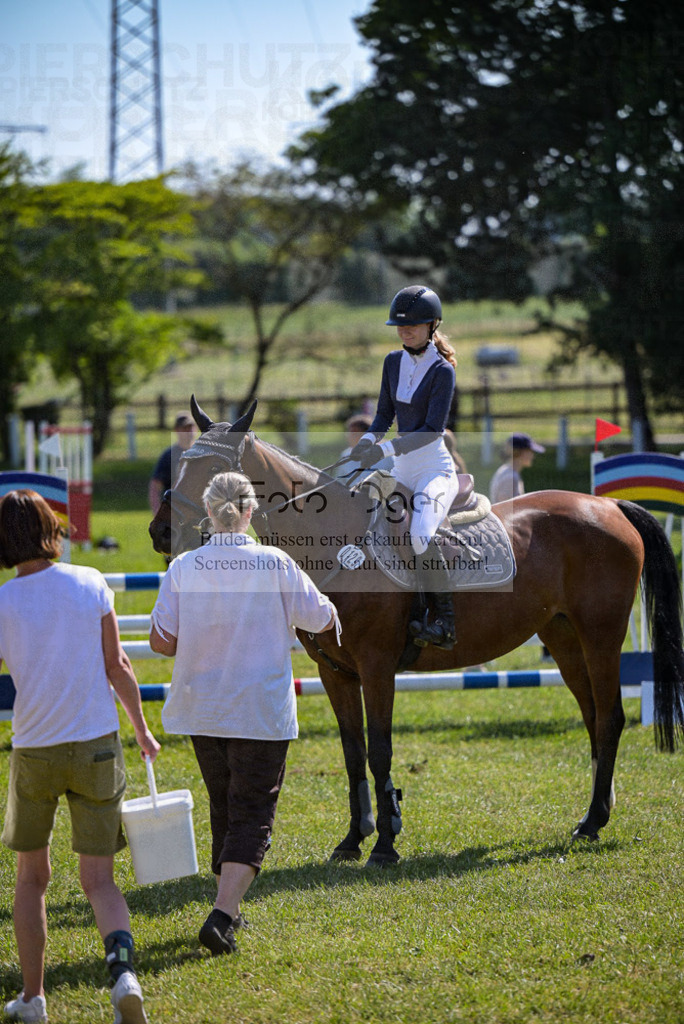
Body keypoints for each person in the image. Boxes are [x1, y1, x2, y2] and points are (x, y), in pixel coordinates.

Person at [149, 471, 338, 957]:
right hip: (259, 708)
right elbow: (318, 618)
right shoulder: (275, 562)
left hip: (201, 706)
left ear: (208, 513)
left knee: (224, 805)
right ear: (251, 511)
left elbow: (161, 642)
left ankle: (229, 908)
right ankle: (219, 914)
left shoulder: (184, 566)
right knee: (251, 814)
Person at [0, 490, 160, 1024]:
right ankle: (124, 978)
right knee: (101, 882)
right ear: (52, 528)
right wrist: (142, 732)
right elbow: (118, 667)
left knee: (31, 880)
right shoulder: (92, 582)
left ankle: (33, 998)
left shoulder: (4, 602)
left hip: (35, 750)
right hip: (96, 745)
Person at [350, 284, 460, 650]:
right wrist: (366, 444)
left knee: (419, 535)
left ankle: (444, 621)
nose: (404, 331)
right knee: (362, 519)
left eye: (412, 326)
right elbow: (383, 414)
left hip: (433, 471)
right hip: (400, 470)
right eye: (400, 326)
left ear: (432, 326)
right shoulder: (392, 362)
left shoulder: (442, 371)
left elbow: (430, 431)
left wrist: (384, 449)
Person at [148, 411, 197, 515]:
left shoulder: (203, 454)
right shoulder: (169, 456)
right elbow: (155, 486)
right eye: (185, 428)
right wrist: (158, 512)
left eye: (191, 427)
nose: (189, 431)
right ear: (176, 430)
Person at [489, 432, 546, 505]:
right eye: (530, 451)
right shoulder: (510, 477)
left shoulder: (509, 471)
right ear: (519, 452)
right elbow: (505, 509)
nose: (533, 456)